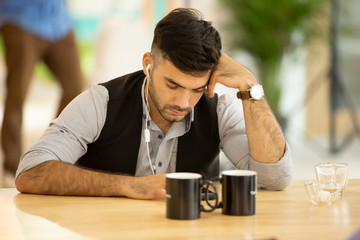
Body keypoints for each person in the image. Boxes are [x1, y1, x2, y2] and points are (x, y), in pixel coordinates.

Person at [15, 8, 292, 199]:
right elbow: (31, 173)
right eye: (172, 85)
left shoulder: (219, 109)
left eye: (195, 89)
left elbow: (275, 179)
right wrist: (131, 187)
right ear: (149, 63)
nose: (183, 102)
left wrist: (250, 87)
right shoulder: (101, 102)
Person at [0, 0, 85, 175]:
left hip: (59, 21)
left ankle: (53, 154)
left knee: (76, 89)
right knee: (17, 95)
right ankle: (11, 167)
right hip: (21, 18)